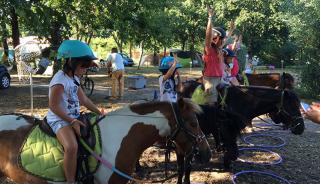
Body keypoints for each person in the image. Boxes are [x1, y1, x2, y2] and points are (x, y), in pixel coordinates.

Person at [46, 40, 105, 184]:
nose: (85, 69)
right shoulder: (59, 81)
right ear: (72, 63)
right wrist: (71, 121)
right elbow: (53, 106)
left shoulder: (74, 78)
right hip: (59, 119)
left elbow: (83, 99)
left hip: (74, 117)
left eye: (87, 66)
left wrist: (99, 112)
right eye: (83, 65)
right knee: (72, 147)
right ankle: (71, 181)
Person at [203, 6, 226, 104]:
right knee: (211, 104)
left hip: (220, 79)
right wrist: (210, 18)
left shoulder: (219, 49)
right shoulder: (209, 49)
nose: (223, 41)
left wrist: (231, 30)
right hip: (210, 80)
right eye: (222, 39)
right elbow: (208, 35)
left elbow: (226, 39)